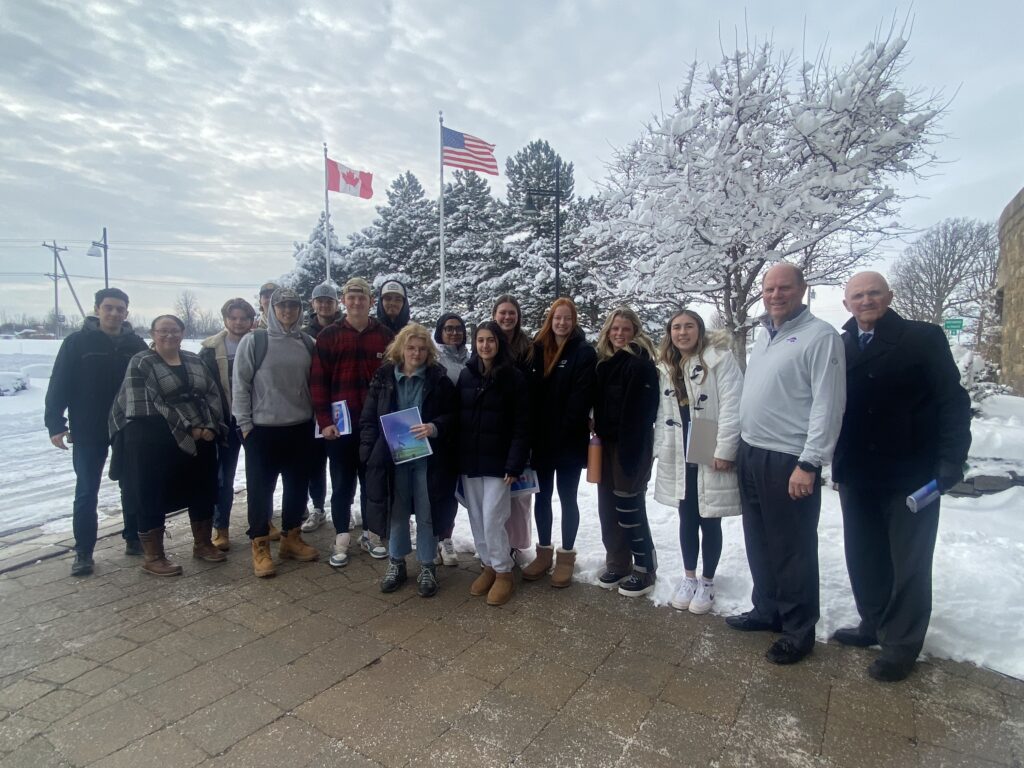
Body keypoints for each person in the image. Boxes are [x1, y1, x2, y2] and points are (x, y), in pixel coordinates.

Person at [831, 271, 971, 682]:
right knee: (864, 553)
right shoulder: (841, 345)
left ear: (889, 297)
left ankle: (901, 645)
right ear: (846, 304)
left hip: (911, 473)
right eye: (858, 295)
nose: (866, 300)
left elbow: (952, 401)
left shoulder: (923, 338)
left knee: (908, 561)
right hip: (858, 470)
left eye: (874, 293)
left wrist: (951, 461)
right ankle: (872, 622)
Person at [728, 263, 845, 665]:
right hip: (752, 451)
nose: (775, 294)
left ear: (802, 290)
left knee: (792, 547)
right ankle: (767, 610)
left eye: (784, 288)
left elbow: (828, 406)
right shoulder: (766, 335)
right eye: (769, 288)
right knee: (759, 539)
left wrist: (810, 462)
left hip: (789, 459)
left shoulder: (820, 336)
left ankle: (798, 629)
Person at [108, 315, 226, 576]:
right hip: (151, 439)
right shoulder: (141, 362)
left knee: (203, 488)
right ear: (152, 333)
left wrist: (209, 426)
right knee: (151, 493)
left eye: (174, 330)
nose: (169, 335)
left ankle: (203, 544)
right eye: (163, 331)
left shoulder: (193, 359)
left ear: (182, 333)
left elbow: (211, 394)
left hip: (200, 436)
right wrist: (189, 428)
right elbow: (148, 405)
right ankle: (154, 556)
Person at [44, 288, 148, 576]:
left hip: (127, 425)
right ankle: (84, 552)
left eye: (119, 309)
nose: (114, 313)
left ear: (127, 312)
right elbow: (59, 382)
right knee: (87, 490)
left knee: (132, 483)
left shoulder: (136, 344)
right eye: (108, 307)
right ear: (97, 309)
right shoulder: (77, 343)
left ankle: (134, 538)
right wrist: (55, 423)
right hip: (88, 427)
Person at [654, 310, 743, 615]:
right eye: (676, 327)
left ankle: (707, 581)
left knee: (710, 515)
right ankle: (689, 576)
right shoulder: (665, 366)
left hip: (707, 438)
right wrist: (658, 448)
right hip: (678, 446)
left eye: (688, 326)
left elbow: (733, 405)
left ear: (699, 330)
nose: (682, 332)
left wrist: (725, 449)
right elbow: (659, 412)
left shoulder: (719, 359)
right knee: (687, 514)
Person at [359, 324, 458, 597]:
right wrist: (368, 453)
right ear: (400, 348)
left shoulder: (438, 379)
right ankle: (396, 562)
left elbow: (454, 416)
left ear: (429, 352)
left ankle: (427, 565)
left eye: (422, 349)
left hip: (427, 460)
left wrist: (434, 427)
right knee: (396, 512)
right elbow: (368, 417)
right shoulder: (384, 376)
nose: (416, 353)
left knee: (427, 513)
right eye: (411, 347)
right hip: (392, 458)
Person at [233, 288, 319, 578]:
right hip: (262, 430)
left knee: (297, 487)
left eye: (293, 306)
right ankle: (260, 545)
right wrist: (245, 425)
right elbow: (240, 385)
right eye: (282, 306)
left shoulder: (307, 343)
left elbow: (315, 386)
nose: (287, 311)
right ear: (272, 308)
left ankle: (291, 538)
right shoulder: (254, 341)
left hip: (300, 428)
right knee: (260, 490)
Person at [311, 277, 394, 567]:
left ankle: (372, 534)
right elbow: (318, 382)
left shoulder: (384, 335)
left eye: (363, 297)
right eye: (351, 296)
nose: (357, 302)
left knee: (373, 483)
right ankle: (342, 535)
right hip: (340, 428)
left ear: (371, 302)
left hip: (375, 426)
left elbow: (395, 380)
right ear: (343, 300)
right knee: (342, 484)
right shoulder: (329, 336)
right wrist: (324, 421)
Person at [521, 298, 596, 588]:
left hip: (568, 440)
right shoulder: (537, 349)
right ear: (549, 320)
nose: (562, 323)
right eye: (557, 318)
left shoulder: (583, 352)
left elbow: (581, 398)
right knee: (542, 496)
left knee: (567, 498)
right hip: (540, 440)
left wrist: (562, 430)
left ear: (573, 321)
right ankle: (543, 553)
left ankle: (566, 556)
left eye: (567, 318)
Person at [457, 321, 530, 606]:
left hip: (499, 464)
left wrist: (515, 463)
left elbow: (522, 425)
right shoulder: (467, 375)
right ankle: (487, 564)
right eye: (480, 340)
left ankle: (503, 571)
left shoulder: (513, 377)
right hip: (470, 461)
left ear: (499, 344)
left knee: (493, 518)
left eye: (490, 340)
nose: (485, 346)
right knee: (476, 518)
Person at [592, 307, 661, 597]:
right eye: (614, 329)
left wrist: (631, 456)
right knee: (608, 506)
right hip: (606, 444)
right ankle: (618, 562)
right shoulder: (606, 364)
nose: (619, 334)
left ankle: (645, 568)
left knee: (629, 506)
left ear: (635, 332)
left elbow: (641, 415)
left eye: (625, 329)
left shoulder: (640, 364)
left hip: (630, 446)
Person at [199, 297, 256, 551]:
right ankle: (220, 528)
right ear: (225, 319)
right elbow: (202, 388)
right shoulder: (210, 350)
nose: (238, 322)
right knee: (224, 477)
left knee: (259, 475)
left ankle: (262, 522)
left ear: (251, 320)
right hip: (224, 421)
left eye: (243, 318)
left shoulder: (260, 342)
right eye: (233, 318)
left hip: (255, 419)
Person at [491, 295, 534, 559]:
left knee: (519, 492)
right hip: (494, 427)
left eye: (512, 313)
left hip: (520, 424)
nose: (507, 317)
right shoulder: (487, 341)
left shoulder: (527, 347)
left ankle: (515, 544)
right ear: (494, 315)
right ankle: (495, 540)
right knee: (495, 490)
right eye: (502, 313)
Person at [301, 282, 341, 533]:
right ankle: (317, 507)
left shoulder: (343, 329)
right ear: (313, 304)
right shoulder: (304, 334)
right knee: (314, 462)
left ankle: (343, 506)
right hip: (312, 406)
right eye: (320, 300)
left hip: (342, 407)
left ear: (337, 304)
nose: (325, 304)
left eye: (329, 300)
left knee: (341, 463)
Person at [433, 312, 469, 565]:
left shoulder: (472, 357)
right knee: (439, 490)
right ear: (440, 332)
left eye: (458, 328)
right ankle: (437, 539)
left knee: (458, 492)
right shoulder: (433, 359)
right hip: (439, 433)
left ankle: (447, 536)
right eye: (449, 329)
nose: (454, 332)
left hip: (466, 433)